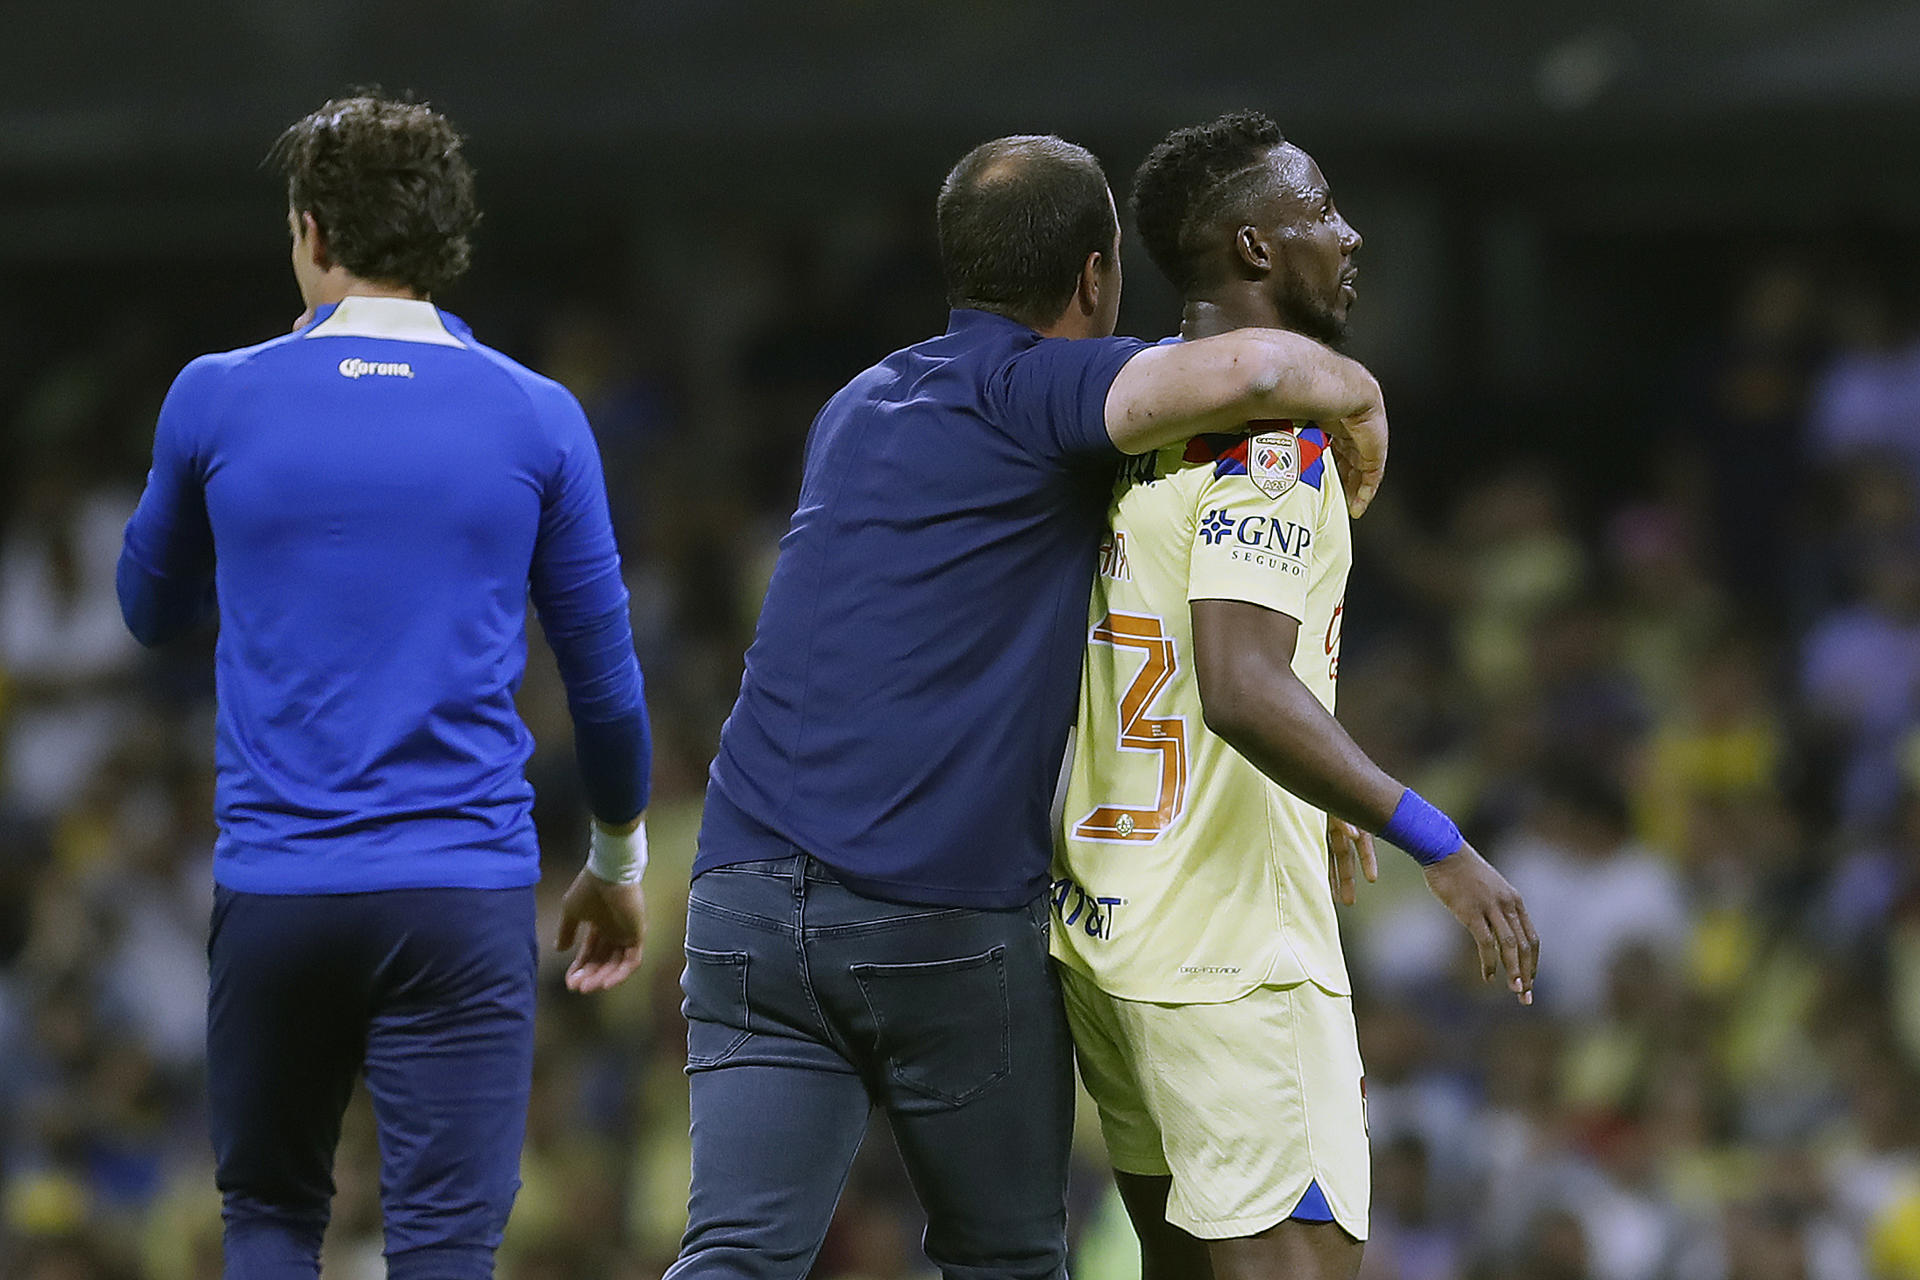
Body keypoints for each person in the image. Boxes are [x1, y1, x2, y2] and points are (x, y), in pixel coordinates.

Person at [671, 133, 1392, 1280]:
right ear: (1097, 281)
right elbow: (1254, 377)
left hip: (744, 894)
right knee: (1004, 1257)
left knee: (736, 1254)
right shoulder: (1043, 390)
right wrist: (1355, 391)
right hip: (936, 910)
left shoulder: (855, 404)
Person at [115, 95, 653, 1280]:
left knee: (268, 1217)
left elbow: (146, 611)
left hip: (278, 890)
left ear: (310, 230)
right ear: (447, 238)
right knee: (447, 1246)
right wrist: (615, 866)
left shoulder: (215, 395)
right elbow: (607, 692)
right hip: (458, 897)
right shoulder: (538, 415)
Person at [1050, 110, 1540, 1280]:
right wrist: (1434, 835)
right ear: (1257, 249)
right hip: (1236, 957)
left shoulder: (1114, 435)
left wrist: (1310, 777)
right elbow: (1237, 684)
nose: (1350, 233)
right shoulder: (1281, 444)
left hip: (1108, 930)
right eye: (1320, 210)